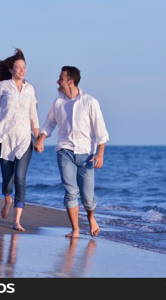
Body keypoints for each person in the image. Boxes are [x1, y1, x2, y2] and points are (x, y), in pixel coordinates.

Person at [35, 66, 109, 238]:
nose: (57, 81)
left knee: (88, 198)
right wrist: (41, 138)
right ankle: (75, 229)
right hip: (65, 151)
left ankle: (91, 217)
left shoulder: (90, 102)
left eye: (60, 78)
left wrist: (100, 153)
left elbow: (101, 131)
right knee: (70, 191)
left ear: (70, 81)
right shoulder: (58, 103)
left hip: (87, 155)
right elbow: (49, 123)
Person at [0, 48, 39, 232]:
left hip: (24, 139)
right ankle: (7, 198)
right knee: (8, 180)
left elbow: (33, 115)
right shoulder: (3, 87)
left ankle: (17, 220)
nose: (22, 70)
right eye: (18, 67)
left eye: (24, 67)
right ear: (11, 69)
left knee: (20, 178)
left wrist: (38, 137)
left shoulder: (30, 89)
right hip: (5, 138)